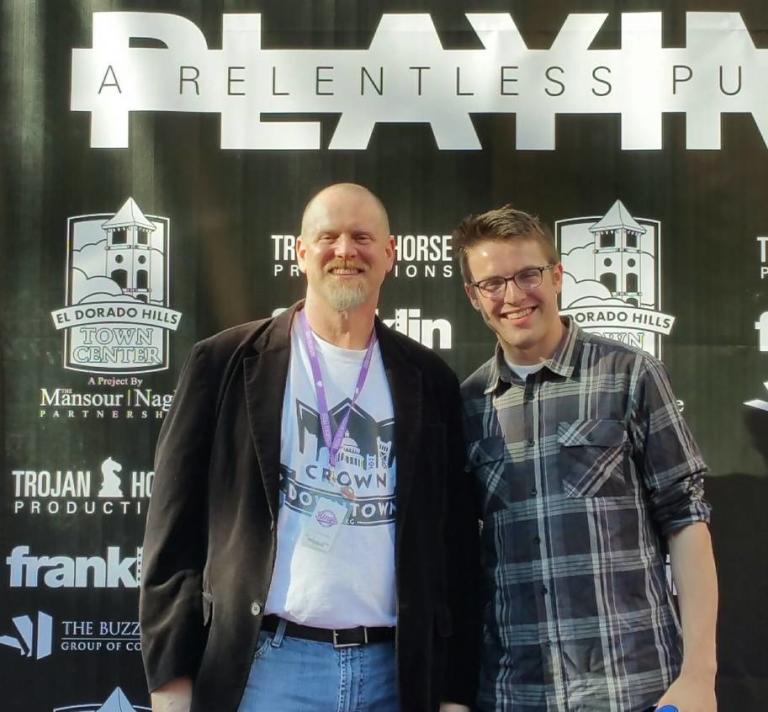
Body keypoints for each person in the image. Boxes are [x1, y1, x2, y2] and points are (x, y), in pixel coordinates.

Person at [140, 183, 478, 712]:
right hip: (266, 672)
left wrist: (455, 693)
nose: (346, 250)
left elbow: (455, 545)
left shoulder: (429, 380)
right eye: (329, 236)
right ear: (300, 251)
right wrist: (170, 685)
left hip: (398, 675)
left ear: (390, 254)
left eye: (363, 237)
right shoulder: (224, 362)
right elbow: (171, 536)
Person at [454, 207, 718, 712]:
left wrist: (699, 675)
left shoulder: (631, 374)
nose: (513, 296)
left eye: (528, 275)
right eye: (492, 283)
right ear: (474, 296)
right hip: (513, 694)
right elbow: (460, 563)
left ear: (556, 276)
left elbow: (686, 523)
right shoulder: (467, 404)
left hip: (635, 689)